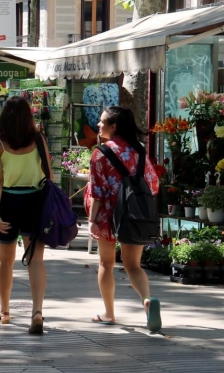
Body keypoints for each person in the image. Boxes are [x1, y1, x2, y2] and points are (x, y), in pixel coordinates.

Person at [85, 106, 161, 331]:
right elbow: (153, 184)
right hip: (133, 215)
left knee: (106, 264)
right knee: (133, 266)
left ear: (113, 126)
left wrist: (91, 220)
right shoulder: (139, 152)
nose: (98, 125)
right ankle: (147, 301)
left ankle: (109, 313)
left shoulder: (100, 153)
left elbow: (97, 192)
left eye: (101, 122)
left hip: (107, 216)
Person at [0, 96, 50, 334]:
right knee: (36, 260)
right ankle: (36, 312)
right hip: (35, 201)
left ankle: (4, 311)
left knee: (5, 260)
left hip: (7, 202)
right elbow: (48, 174)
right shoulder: (38, 140)